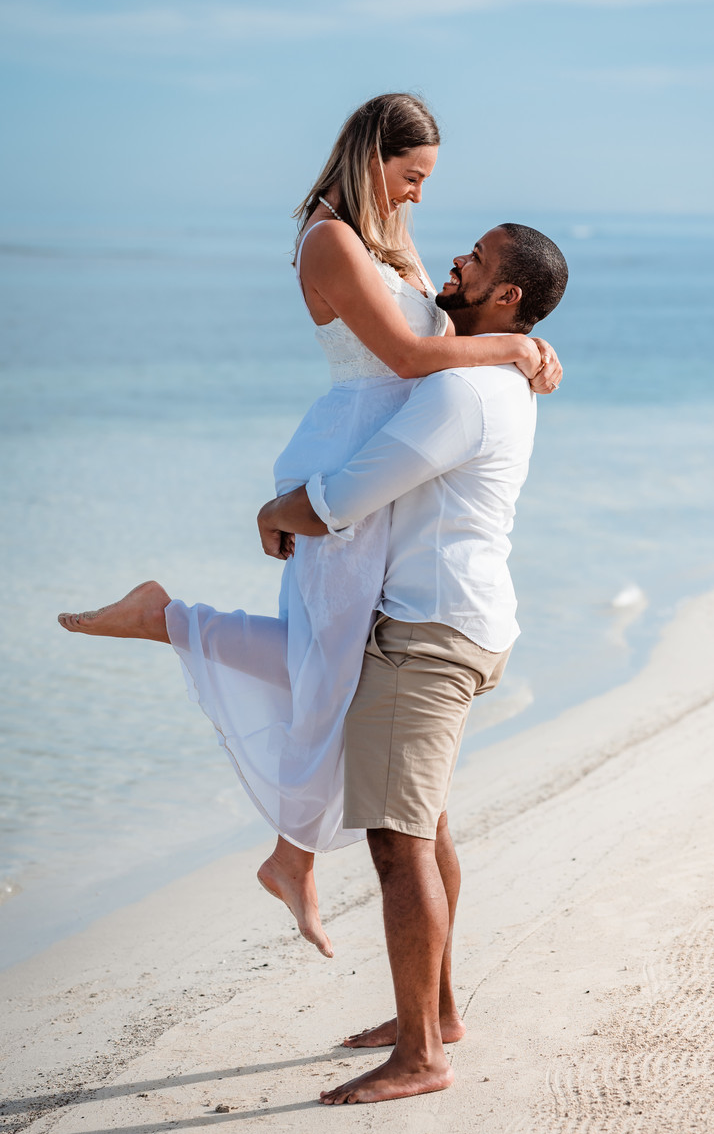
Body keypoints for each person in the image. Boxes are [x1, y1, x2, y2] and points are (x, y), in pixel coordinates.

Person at [57, 93, 562, 960]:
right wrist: (510, 347)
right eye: (410, 177)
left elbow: (441, 328)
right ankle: (292, 855)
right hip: (348, 459)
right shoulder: (330, 239)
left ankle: (166, 621)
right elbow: (408, 358)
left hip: (381, 462)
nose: (417, 199)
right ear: (374, 158)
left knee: (322, 653)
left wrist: (516, 338)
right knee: (327, 666)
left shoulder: (387, 239)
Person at [255, 221, 568, 1103]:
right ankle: (435, 1014)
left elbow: (347, 496)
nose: (456, 262)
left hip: (428, 634)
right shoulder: (491, 375)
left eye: (477, 260)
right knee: (424, 825)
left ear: (505, 297)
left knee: (398, 844)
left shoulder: (462, 395)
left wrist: (275, 511)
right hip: (466, 618)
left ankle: (422, 1054)